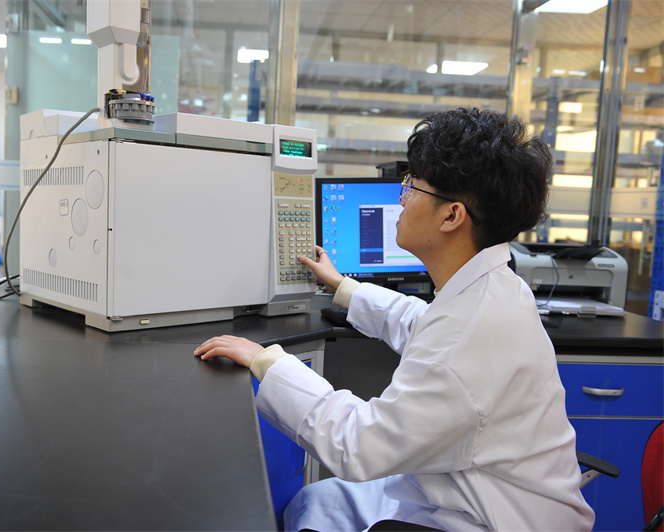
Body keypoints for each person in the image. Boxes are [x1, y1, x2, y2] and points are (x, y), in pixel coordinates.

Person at [194, 107, 594, 531]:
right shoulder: (495, 287)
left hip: (485, 520)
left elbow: (357, 446)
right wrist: (343, 287)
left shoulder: (471, 331)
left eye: (412, 186)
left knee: (315, 511)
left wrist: (269, 363)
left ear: (451, 216)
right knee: (316, 500)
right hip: (468, 490)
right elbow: (422, 323)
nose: (401, 198)